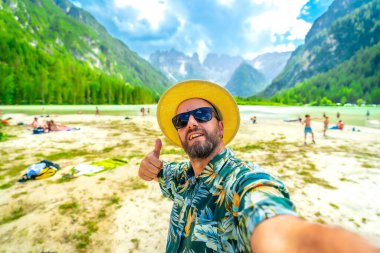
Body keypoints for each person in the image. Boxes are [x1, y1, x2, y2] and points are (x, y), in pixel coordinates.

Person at [138, 80, 379, 253]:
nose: (191, 122)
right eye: (182, 120)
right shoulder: (181, 176)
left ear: (220, 127)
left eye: (202, 114)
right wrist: (149, 168)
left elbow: (274, 223)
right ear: (179, 132)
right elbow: (160, 172)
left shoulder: (243, 180)